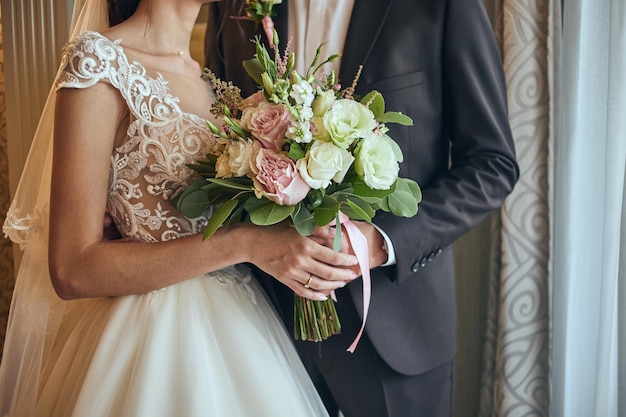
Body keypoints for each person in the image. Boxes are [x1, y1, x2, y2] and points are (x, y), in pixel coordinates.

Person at [0, 0, 362, 416]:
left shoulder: (213, 81)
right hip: (148, 339)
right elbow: (71, 269)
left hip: (240, 329)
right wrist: (245, 243)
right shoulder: (98, 60)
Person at [204, 1, 520, 416]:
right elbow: (214, 142)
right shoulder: (234, 6)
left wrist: (381, 243)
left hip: (397, 329)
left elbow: (492, 164)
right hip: (263, 329)